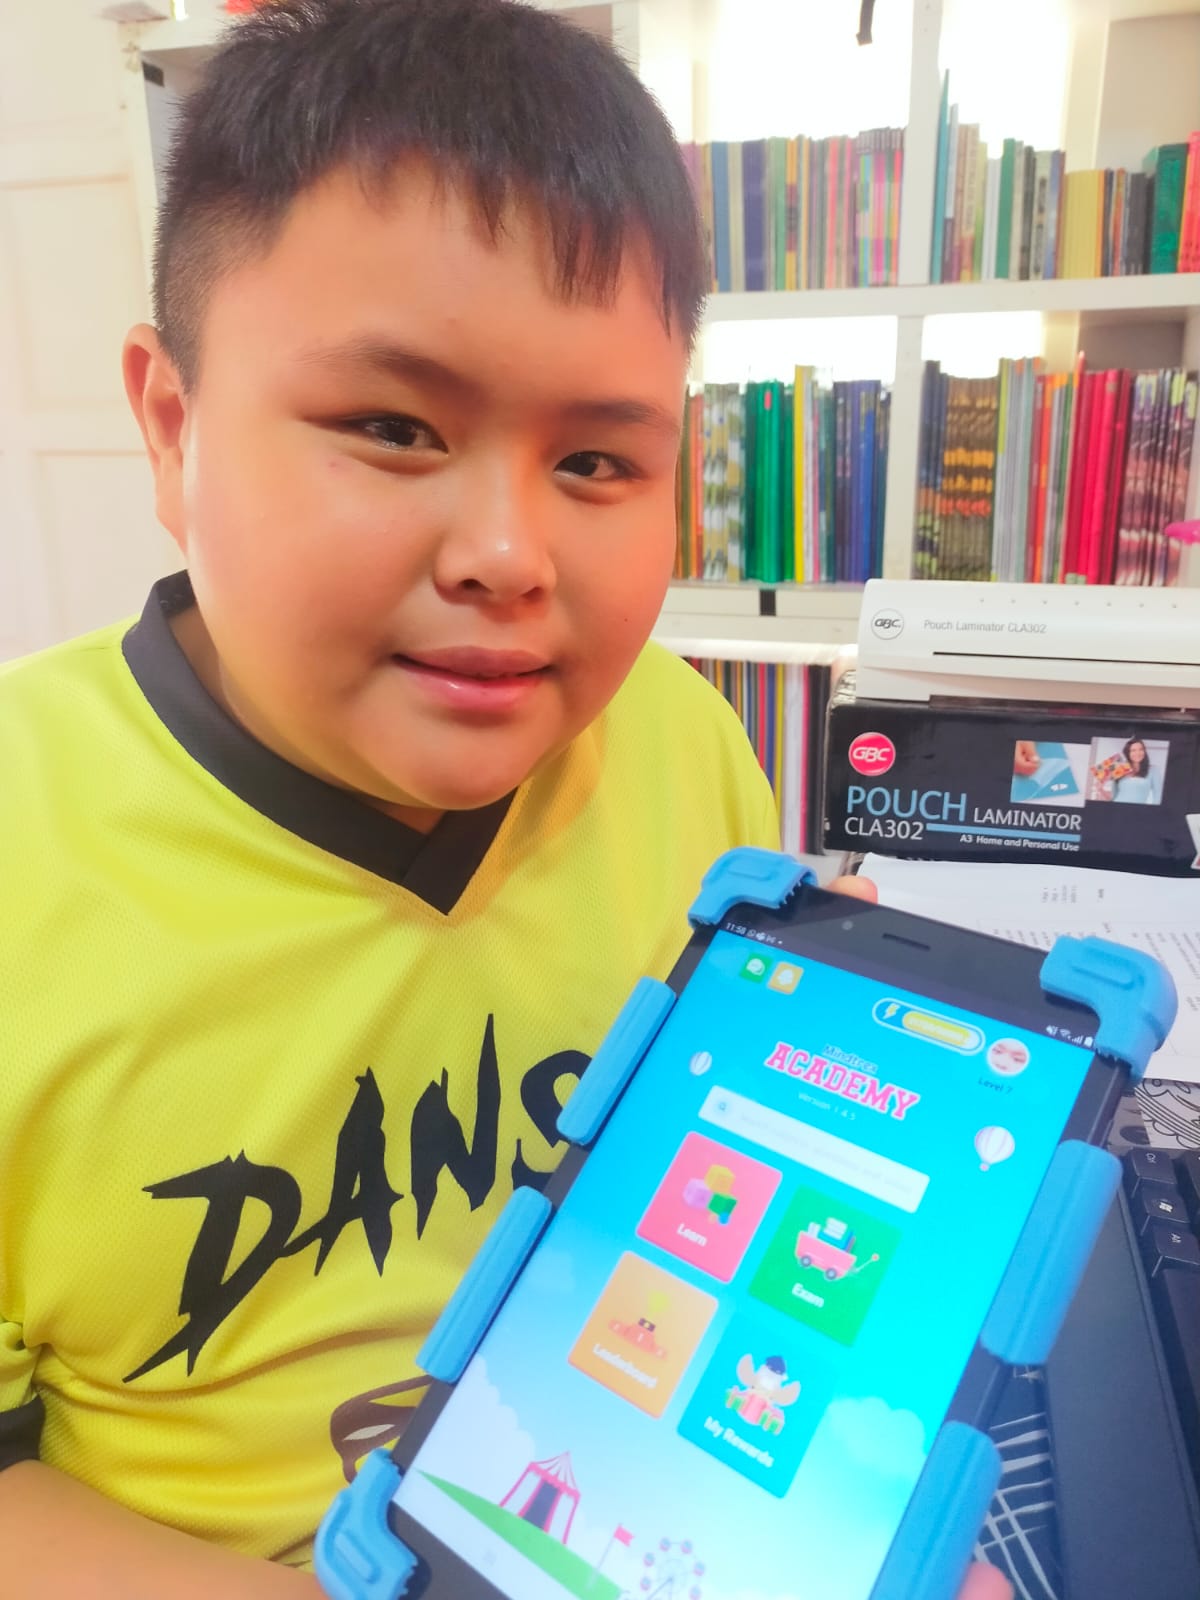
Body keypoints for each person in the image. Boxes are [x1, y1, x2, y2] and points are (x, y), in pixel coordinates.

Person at [0, 3, 1008, 1596]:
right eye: (394, 429)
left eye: (597, 463)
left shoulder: (684, 746)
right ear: (174, 428)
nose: (507, 555)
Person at [1112, 737, 1160, 805]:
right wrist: (1100, 789)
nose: (1138, 753)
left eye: (1141, 749)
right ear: (1128, 753)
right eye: (1133, 750)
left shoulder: (1153, 770)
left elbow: (1158, 796)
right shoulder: (1119, 769)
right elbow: (1114, 795)